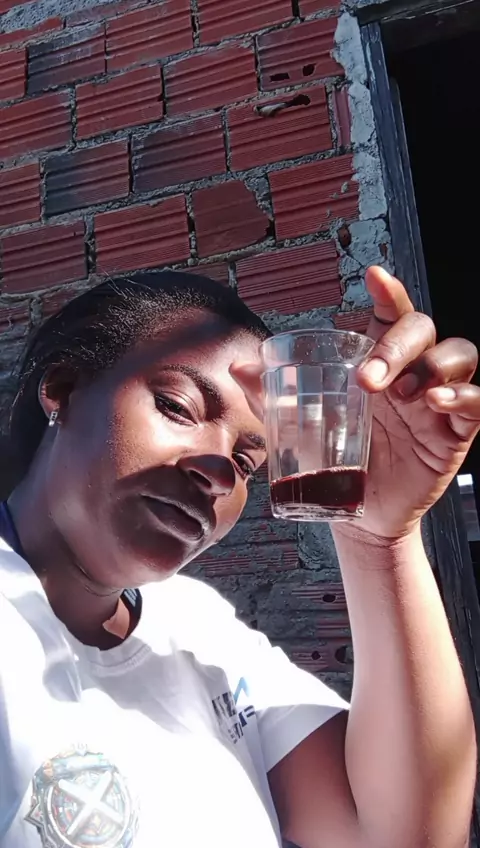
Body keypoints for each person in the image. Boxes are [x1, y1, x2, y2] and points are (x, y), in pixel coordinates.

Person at [0, 265, 478, 848]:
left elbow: (402, 836)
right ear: (63, 388)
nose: (221, 472)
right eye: (177, 407)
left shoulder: (202, 629)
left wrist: (380, 538)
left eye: (248, 463)